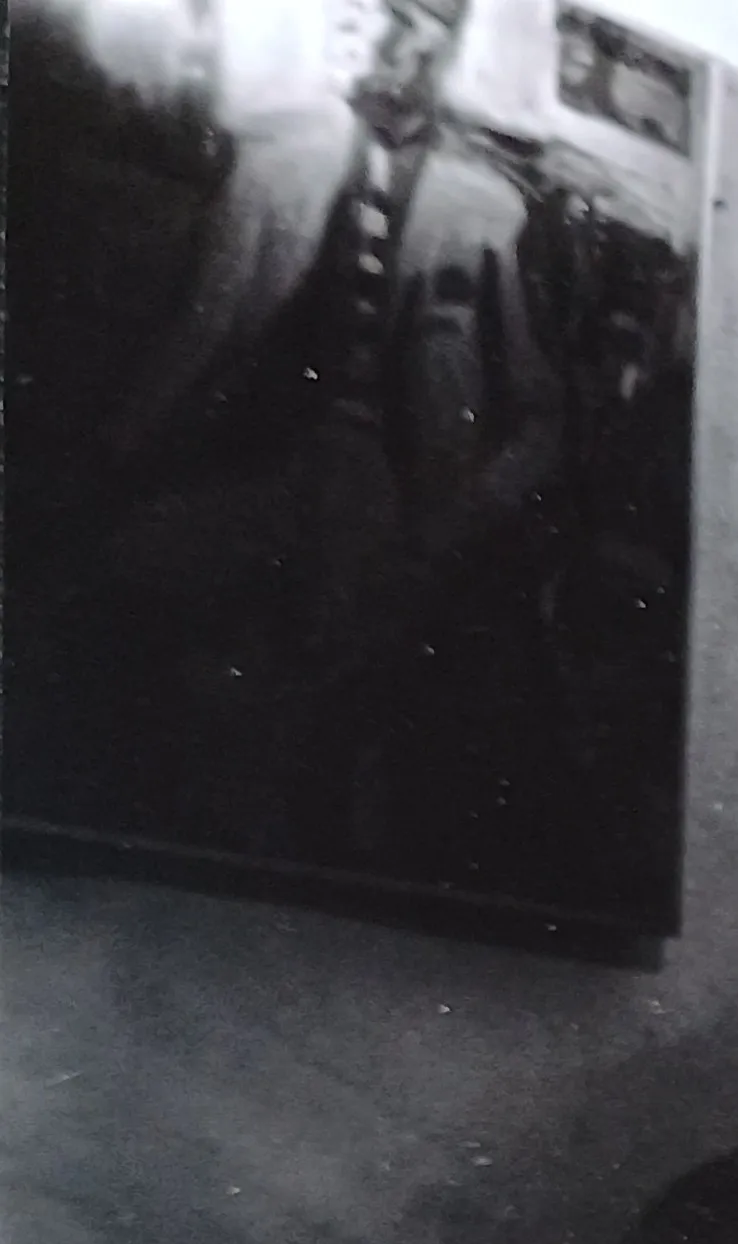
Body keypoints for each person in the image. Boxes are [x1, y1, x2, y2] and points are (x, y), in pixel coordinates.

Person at [75, 0, 565, 868]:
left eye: (418, 26)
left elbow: (539, 418)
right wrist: (113, 456)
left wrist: (451, 529)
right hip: (253, 466)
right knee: (130, 596)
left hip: (388, 501)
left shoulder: (489, 211)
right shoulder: (275, 169)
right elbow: (199, 331)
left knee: (330, 701)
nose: (385, 43)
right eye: (371, 17)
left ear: (448, 49)